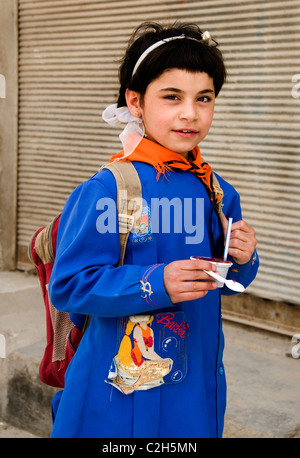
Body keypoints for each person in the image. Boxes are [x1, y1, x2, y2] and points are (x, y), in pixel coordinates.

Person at [48, 22, 259, 438]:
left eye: (204, 98)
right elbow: (69, 286)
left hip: (195, 386)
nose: (190, 114)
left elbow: (227, 280)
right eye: (172, 97)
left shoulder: (216, 190)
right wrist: (154, 281)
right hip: (117, 390)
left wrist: (243, 258)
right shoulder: (110, 189)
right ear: (136, 101)